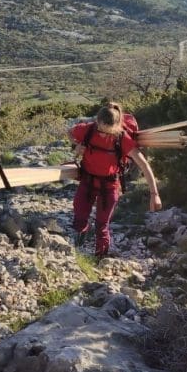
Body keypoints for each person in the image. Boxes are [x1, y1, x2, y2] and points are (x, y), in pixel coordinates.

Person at [68, 102, 162, 257]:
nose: (104, 135)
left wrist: (155, 194)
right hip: (88, 181)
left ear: (117, 127)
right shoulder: (88, 130)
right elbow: (70, 132)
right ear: (97, 122)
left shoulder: (122, 138)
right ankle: (76, 252)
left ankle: (99, 258)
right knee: (79, 217)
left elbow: (144, 165)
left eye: (109, 132)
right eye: (101, 131)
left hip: (109, 185)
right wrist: (76, 145)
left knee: (102, 225)